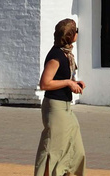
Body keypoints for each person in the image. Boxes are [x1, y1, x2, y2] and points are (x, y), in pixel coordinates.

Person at [35, 18, 86, 176]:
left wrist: (73, 82)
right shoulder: (56, 56)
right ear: (70, 35)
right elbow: (44, 84)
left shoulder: (66, 54)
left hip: (65, 107)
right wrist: (68, 83)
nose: (77, 33)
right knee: (54, 150)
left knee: (76, 149)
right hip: (55, 108)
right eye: (75, 31)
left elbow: (60, 79)